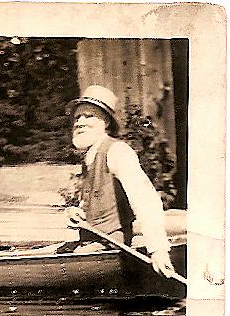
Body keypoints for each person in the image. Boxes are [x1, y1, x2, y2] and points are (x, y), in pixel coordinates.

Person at [64, 85, 175, 277]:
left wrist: (158, 250)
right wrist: (77, 212)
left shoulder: (117, 151)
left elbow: (145, 200)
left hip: (109, 247)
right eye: (77, 117)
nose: (80, 122)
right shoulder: (90, 157)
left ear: (106, 122)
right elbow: (100, 203)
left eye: (89, 116)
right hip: (91, 245)